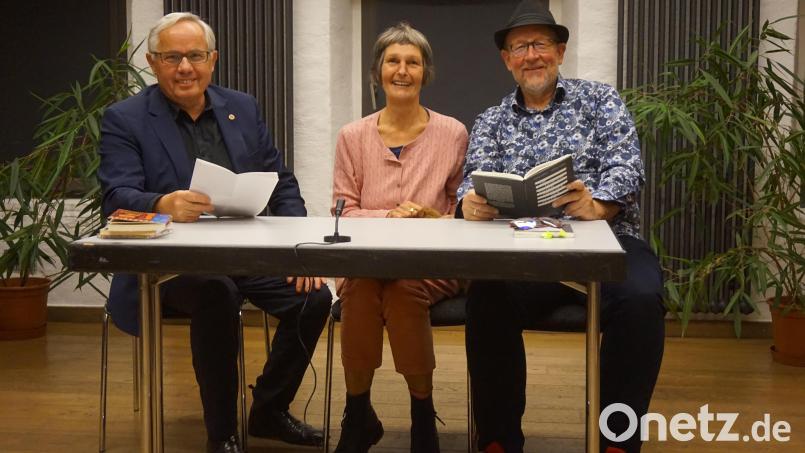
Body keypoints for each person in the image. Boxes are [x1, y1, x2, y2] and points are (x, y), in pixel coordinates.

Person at [97, 13, 331, 453]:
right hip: (168, 266)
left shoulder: (241, 107)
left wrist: (300, 253)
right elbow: (116, 195)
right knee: (216, 293)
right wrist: (162, 203)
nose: (185, 66)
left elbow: (280, 180)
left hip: (243, 252)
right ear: (152, 61)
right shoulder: (125, 119)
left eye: (195, 55)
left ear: (213, 60)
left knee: (313, 297)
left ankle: (268, 410)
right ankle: (222, 434)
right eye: (172, 57)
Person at [457, 1, 666, 452]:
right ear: (506, 59)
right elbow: (469, 181)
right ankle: (498, 439)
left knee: (643, 298)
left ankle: (617, 440)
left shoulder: (600, 100)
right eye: (520, 47)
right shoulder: (490, 120)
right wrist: (469, 203)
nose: (531, 55)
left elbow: (628, 168)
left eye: (540, 44)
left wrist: (599, 203)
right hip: (521, 252)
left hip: (607, 241)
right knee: (486, 299)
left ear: (560, 50)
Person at [330, 22, 468, 453]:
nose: (402, 70)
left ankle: (421, 416)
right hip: (367, 262)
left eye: (413, 62)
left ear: (426, 72)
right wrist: (388, 215)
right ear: (378, 71)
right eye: (393, 61)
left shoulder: (454, 133)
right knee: (362, 288)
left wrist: (431, 217)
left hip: (432, 263)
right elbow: (343, 210)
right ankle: (358, 413)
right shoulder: (352, 136)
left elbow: (463, 212)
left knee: (404, 288)